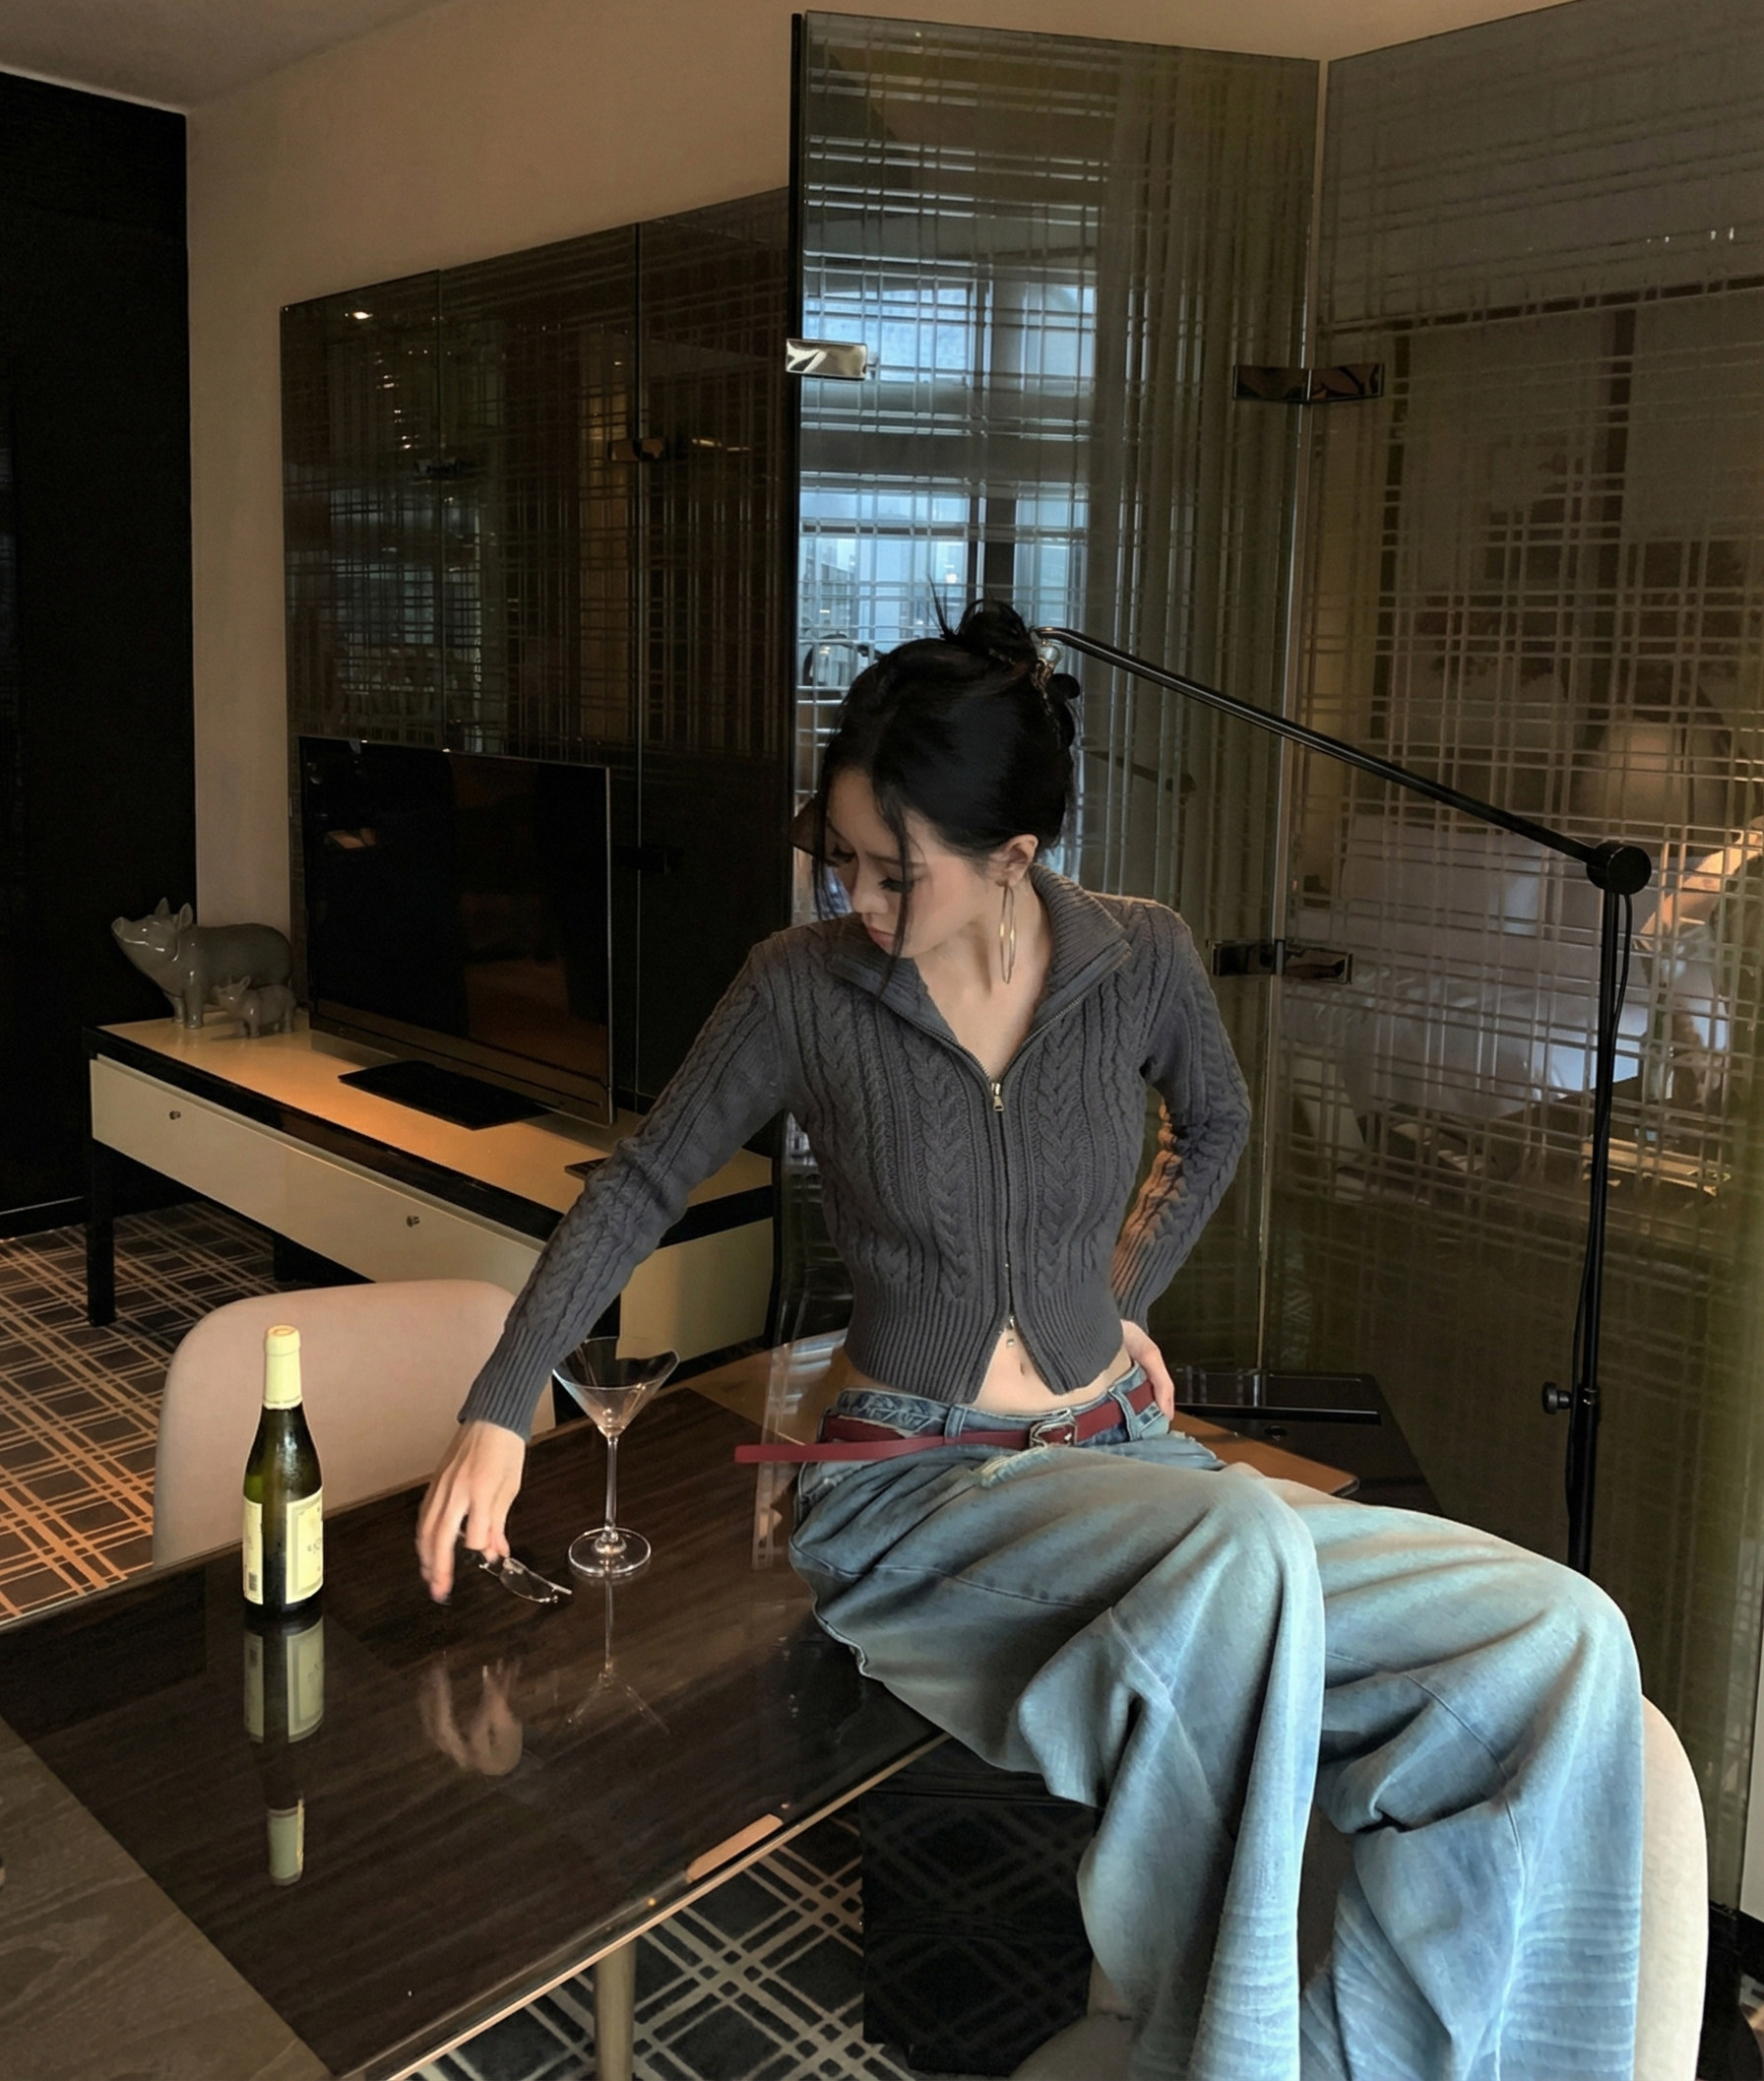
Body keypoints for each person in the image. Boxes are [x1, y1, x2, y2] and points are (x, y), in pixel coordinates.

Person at [416, 601, 1644, 2081]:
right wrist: (502, 1403)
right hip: (915, 1490)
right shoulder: (800, 985)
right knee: (1248, 1543)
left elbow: (1217, 1123)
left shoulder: (1141, 957)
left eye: (898, 872)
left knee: (1563, 1638)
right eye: (840, 858)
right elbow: (641, 1182)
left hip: (1125, 1462)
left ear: (1014, 856)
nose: (861, 898)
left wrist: (1120, 1299)